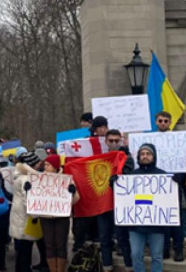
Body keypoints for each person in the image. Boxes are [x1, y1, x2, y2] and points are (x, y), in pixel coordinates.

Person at [126, 143, 168, 272]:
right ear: (138, 157)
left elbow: (169, 200)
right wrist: (116, 183)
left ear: (154, 157)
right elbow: (125, 199)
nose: (145, 157)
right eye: (142, 154)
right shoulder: (131, 177)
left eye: (148, 154)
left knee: (157, 256)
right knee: (136, 254)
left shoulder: (163, 175)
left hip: (156, 224)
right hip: (136, 224)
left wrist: (174, 183)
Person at [98, 130, 134, 271]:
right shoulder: (100, 159)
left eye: (116, 141)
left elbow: (130, 177)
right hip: (103, 203)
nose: (114, 143)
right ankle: (107, 267)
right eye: (111, 141)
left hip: (120, 204)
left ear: (120, 141)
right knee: (104, 238)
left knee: (122, 238)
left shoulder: (127, 158)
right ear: (106, 141)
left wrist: (120, 178)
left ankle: (129, 267)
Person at [72, 116, 108, 252]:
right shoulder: (86, 144)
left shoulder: (111, 141)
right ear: (95, 129)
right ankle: (81, 241)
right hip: (89, 184)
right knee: (86, 215)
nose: (103, 130)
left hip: (104, 183)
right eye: (100, 127)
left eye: (105, 127)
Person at [38, 154, 78, 272]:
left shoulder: (66, 179)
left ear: (55, 166)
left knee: (61, 245)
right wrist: (29, 189)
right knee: (49, 245)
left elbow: (76, 199)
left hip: (61, 216)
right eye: (45, 164)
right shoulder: (39, 179)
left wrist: (72, 193)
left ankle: (60, 270)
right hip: (45, 216)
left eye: (48, 165)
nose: (45, 167)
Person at [154, 112, 185, 261]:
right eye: (160, 121)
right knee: (161, 218)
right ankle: (164, 248)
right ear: (156, 122)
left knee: (176, 219)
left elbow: (184, 160)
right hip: (157, 184)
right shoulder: (150, 139)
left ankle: (178, 249)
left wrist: (180, 176)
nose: (163, 123)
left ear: (170, 122)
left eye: (166, 121)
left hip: (174, 183)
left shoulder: (178, 139)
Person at [10, 152, 41, 272]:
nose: (39, 164)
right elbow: (27, 199)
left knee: (23, 248)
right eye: (37, 162)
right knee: (25, 249)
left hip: (19, 216)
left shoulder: (20, 175)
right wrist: (35, 214)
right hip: (25, 218)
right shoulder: (26, 179)